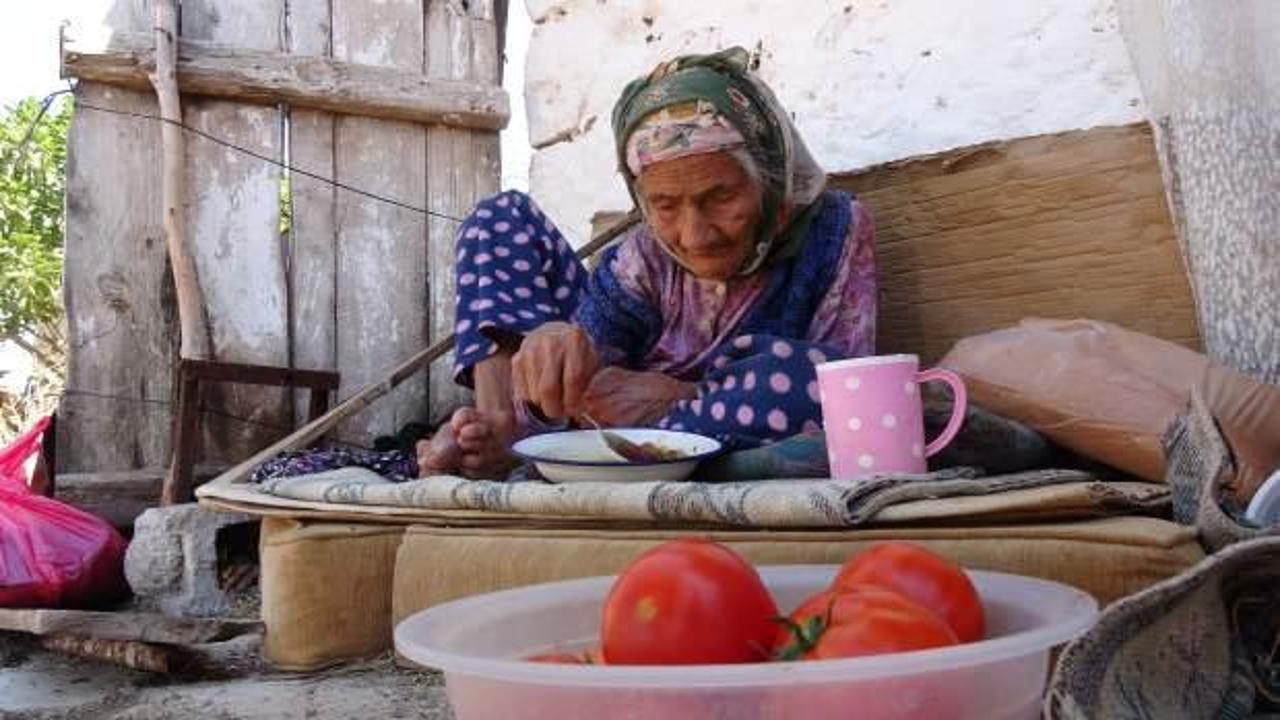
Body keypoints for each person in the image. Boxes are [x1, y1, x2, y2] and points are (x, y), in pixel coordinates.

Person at [416, 46, 878, 479]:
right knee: (499, 218)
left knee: (812, 384)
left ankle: (544, 447)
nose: (694, 235)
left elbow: (850, 389)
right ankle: (501, 431)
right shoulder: (639, 259)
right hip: (636, 428)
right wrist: (553, 357)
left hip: (740, 416)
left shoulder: (832, 230)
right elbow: (589, 375)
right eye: (665, 205)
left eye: (720, 197)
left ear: (771, 183)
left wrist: (684, 397)